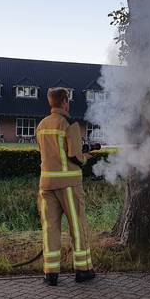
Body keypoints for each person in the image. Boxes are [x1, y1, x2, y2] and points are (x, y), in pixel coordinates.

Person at [36, 87, 95, 286]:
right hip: (68, 184)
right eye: (68, 100)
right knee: (77, 226)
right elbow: (75, 156)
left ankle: (50, 274)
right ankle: (83, 270)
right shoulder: (70, 124)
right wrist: (86, 156)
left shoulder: (42, 125)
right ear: (64, 102)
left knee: (50, 228)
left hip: (46, 184)